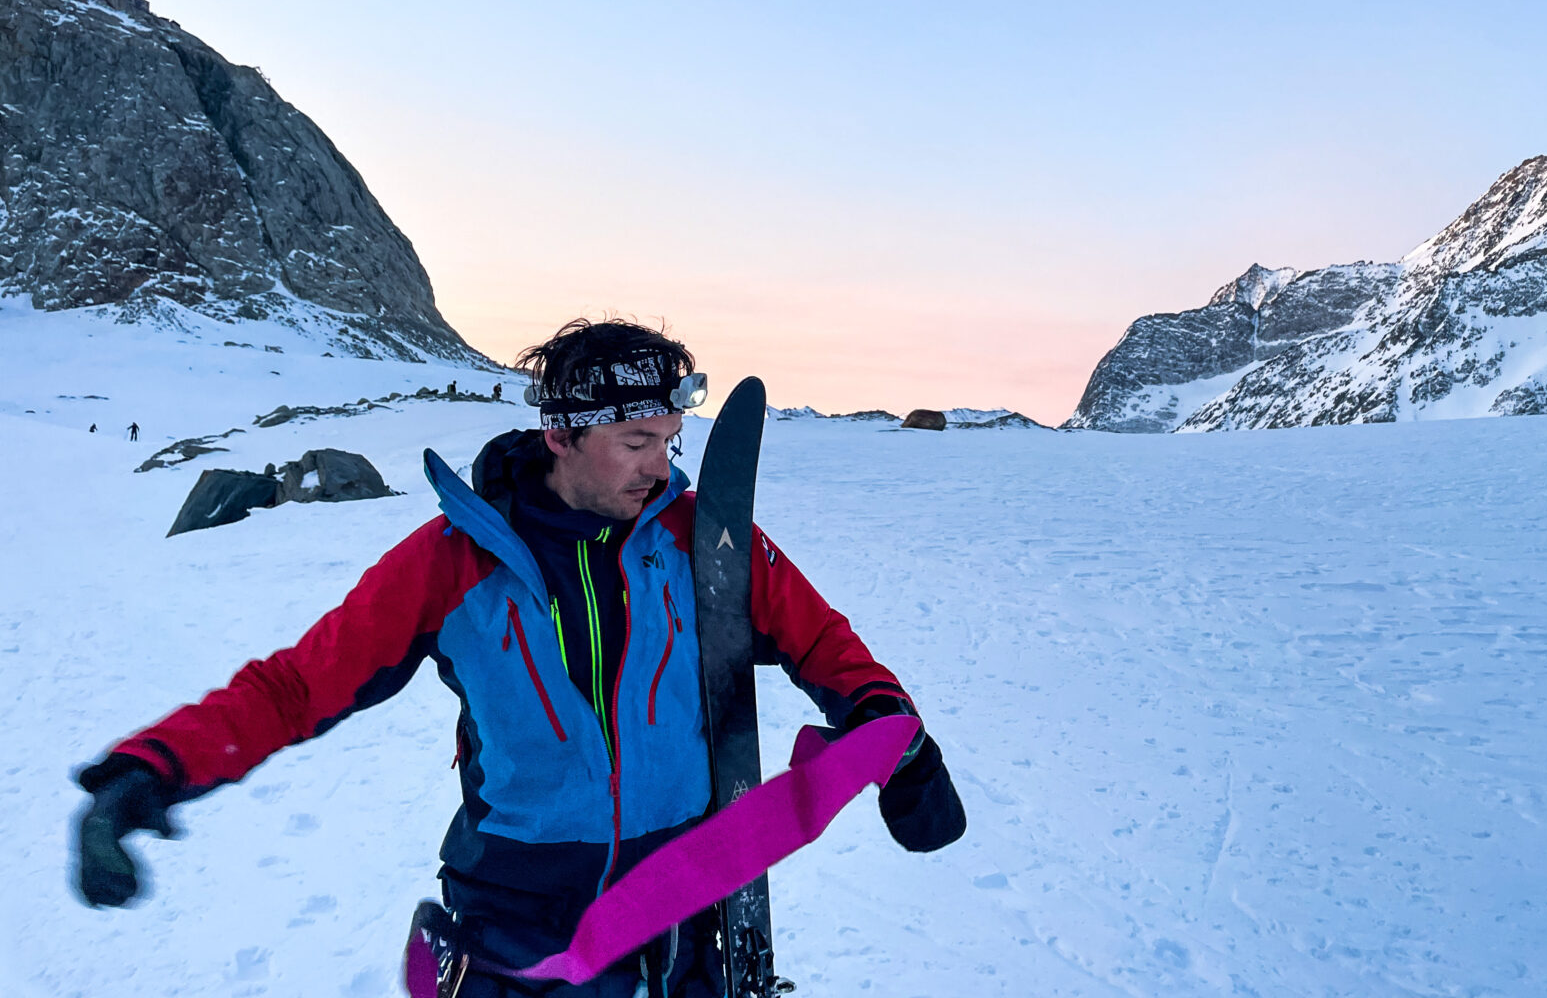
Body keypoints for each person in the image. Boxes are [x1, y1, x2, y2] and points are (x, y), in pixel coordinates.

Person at [72, 319, 963, 996]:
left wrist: (896, 735)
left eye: (669, 440)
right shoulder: (454, 562)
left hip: (687, 904)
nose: (663, 467)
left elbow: (823, 644)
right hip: (514, 918)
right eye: (636, 442)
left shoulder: (706, 543)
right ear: (562, 436)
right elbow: (301, 684)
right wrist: (158, 766)